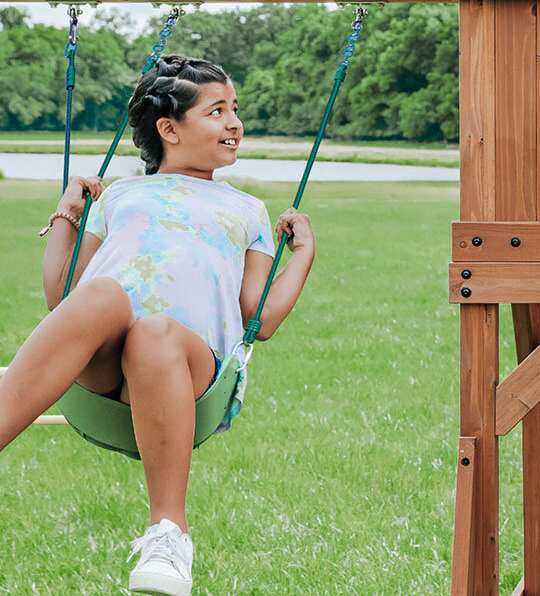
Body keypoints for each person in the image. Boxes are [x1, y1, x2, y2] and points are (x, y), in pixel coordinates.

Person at [0, 55, 315, 596]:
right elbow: (63, 298)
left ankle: (168, 535)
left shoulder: (247, 210)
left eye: (234, 109)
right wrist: (69, 213)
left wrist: (302, 254)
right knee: (101, 293)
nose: (234, 122)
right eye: (217, 111)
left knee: (155, 332)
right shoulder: (121, 194)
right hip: (99, 367)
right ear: (169, 129)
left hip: (189, 372)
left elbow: (256, 321)